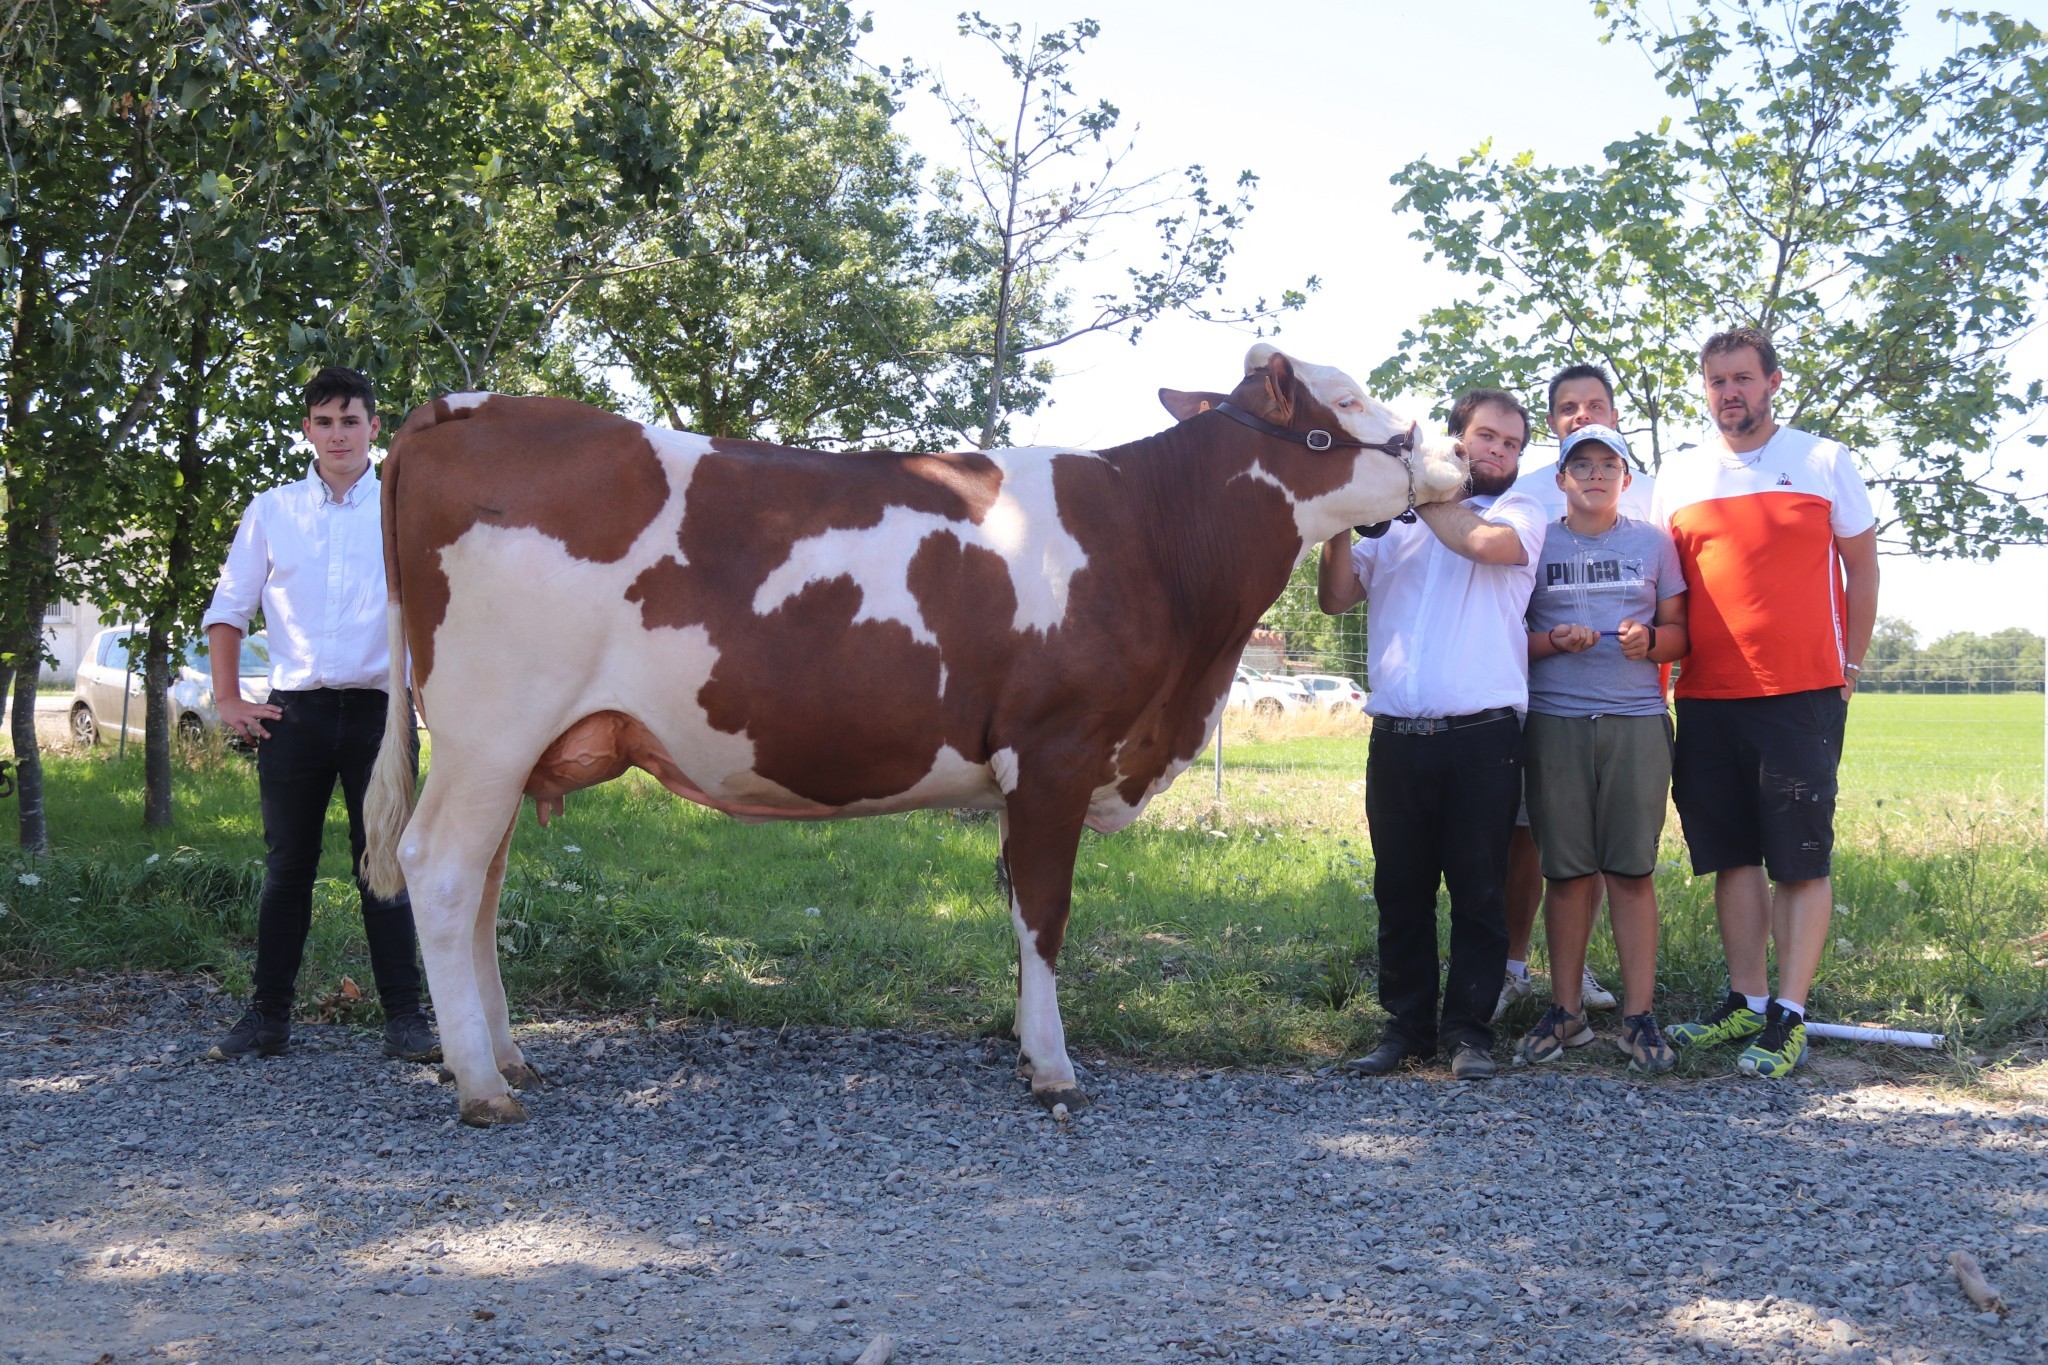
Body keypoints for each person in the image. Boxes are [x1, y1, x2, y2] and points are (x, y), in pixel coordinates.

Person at [1653, 328, 1879, 1078]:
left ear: (1773, 381)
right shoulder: (1678, 476)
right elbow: (1665, 588)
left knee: (1800, 859)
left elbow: (1862, 564)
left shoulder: (1821, 460)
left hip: (1801, 694)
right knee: (1731, 857)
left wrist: (1851, 659)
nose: (1730, 392)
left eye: (1743, 378)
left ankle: (1790, 1013)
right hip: (1709, 695)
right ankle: (1745, 1001)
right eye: (1717, 380)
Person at [201, 367, 439, 1064]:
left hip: (380, 717)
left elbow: (435, 609)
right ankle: (267, 1018)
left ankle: (406, 1020)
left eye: (352, 419)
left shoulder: (404, 507)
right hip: (292, 717)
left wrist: (430, 693)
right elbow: (227, 610)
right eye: (325, 420)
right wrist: (227, 698)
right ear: (307, 428)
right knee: (287, 871)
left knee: (385, 866)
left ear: (374, 426)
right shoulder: (273, 510)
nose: (339, 433)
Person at [1318, 388, 1548, 1081]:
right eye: (1486, 437)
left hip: (1483, 737)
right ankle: (1406, 1028)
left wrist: (1411, 491)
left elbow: (1481, 545)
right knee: (1402, 890)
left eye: (1511, 443)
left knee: (1481, 890)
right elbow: (1334, 597)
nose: (1498, 451)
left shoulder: (1521, 511)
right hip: (1396, 736)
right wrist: (1342, 516)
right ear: (1455, 438)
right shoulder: (1393, 523)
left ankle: (1468, 1031)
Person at [1516, 423, 1687, 1072]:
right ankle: (1566, 1012)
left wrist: (1651, 642)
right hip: (1555, 720)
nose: (1593, 474)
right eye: (1578, 464)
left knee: (1631, 873)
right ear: (1560, 478)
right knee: (1565, 873)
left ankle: (1637, 1017)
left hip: (1636, 719)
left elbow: (1679, 633)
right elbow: (1509, 632)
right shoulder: (1537, 542)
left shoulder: (1653, 542)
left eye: (1606, 465)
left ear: (1626, 479)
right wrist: (1552, 641)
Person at [1497, 364, 1658, 1021]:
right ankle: (1513, 965)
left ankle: (1578, 969)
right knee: (1530, 838)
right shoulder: (1526, 496)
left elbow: (1667, 592)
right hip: (1537, 698)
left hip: (1622, 701)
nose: (1582, 413)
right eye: (1568, 407)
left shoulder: (1645, 496)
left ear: (1616, 417)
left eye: (1595, 404)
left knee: (1599, 847)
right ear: (1552, 429)